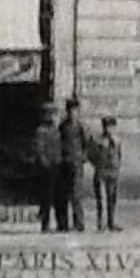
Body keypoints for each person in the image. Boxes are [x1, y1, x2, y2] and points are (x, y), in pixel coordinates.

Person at [56, 97, 89, 231]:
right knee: (63, 194)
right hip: (64, 162)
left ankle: (79, 223)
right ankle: (63, 224)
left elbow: (86, 143)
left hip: (76, 163)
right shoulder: (63, 126)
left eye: (74, 110)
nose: (72, 113)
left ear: (78, 111)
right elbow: (59, 142)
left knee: (76, 194)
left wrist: (82, 157)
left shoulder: (81, 126)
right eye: (70, 110)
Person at [88, 115, 123, 232]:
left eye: (112, 127)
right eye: (107, 127)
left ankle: (111, 222)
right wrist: (98, 165)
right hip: (101, 172)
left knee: (112, 198)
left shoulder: (117, 141)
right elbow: (91, 155)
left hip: (113, 172)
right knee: (101, 199)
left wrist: (117, 167)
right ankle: (101, 223)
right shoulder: (98, 141)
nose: (110, 129)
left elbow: (119, 155)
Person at [33, 102, 64, 233]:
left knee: (59, 196)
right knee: (46, 197)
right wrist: (45, 164)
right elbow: (40, 150)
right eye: (49, 114)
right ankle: (45, 224)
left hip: (57, 165)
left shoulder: (56, 130)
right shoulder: (41, 131)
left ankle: (61, 223)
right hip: (47, 168)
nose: (52, 117)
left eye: (54, 114)